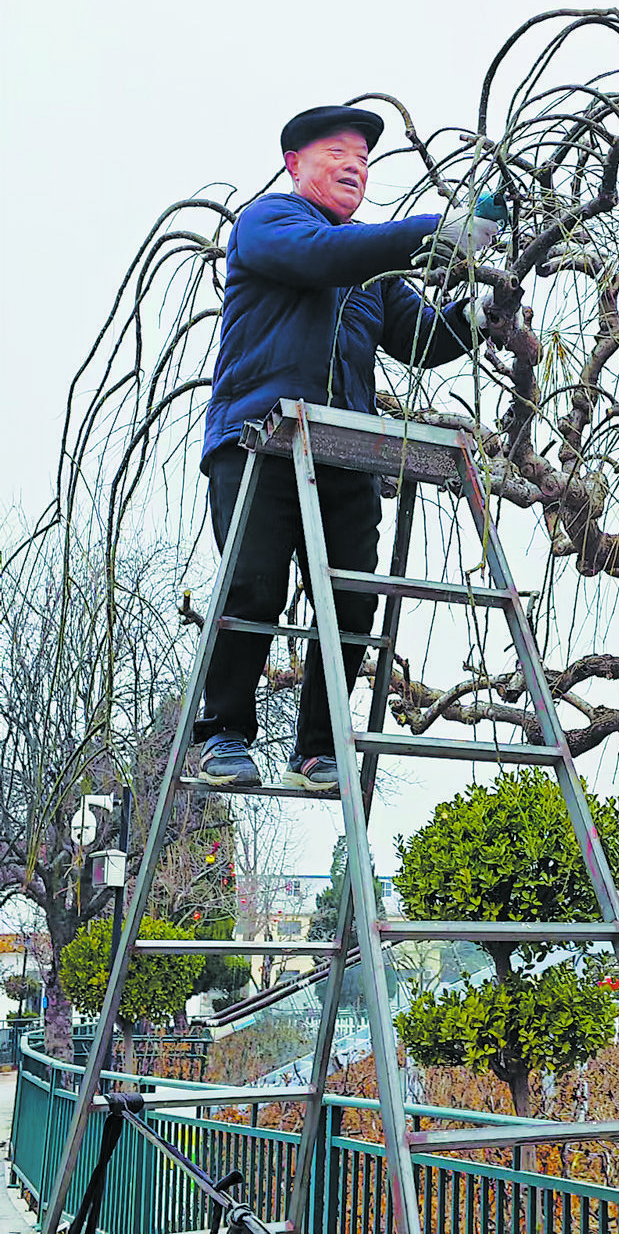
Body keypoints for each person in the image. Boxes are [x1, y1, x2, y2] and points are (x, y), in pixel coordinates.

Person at [193, 104, 498, 789]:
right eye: (337, 153)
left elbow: (420, 341)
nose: (354, 165)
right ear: (295, 164)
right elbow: (321, 258)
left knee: (354, 597)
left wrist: (478, 314)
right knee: (255, 583)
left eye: (363, 159)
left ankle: (319, 748)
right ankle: (224, 736)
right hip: (259, 441)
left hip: (345, 448)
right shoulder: (269, 223)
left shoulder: (372, 265)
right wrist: (432, 232)